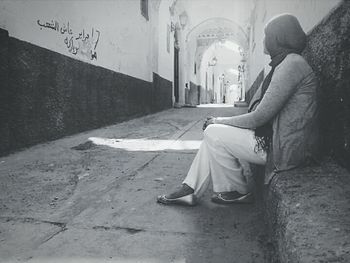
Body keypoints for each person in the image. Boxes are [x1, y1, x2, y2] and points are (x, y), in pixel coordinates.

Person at [157, 14, 319, 206]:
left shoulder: (291, 64)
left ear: (278, 38)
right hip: (277, 140)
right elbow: (259, 112)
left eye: (266, 35)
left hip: (285, 149)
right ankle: (196, 188)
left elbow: (259, 117)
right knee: (213, 134)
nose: (263, 40)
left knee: (214, 132)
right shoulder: (284, 63)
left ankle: (229, 190)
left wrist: (219, 121)